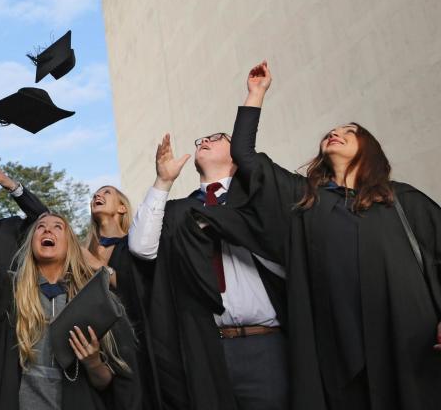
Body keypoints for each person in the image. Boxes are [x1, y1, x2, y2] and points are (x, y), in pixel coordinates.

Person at [190, 61, 441, 410]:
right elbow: (245, 156)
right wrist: (255, 94)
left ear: (368, 148)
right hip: (339, 355)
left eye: (349, 131)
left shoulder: (401, 200)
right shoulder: (306, 201)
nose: (335, 132)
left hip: (407, 340)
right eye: (331, 131)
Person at [127, 129, 288, 410]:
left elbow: (285, 256)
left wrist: (224, 222)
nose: (204, 141)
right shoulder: (180, 212)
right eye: (200, 140)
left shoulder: (259, 201)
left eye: (216, 138)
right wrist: (163, 181)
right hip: (205, 347)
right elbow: (142, 247)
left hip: (263, 344)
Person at [0, 211, 141, 409]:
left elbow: (108, 383)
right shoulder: (12, 290)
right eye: (40, 226)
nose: (47, 229)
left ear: (71, 244)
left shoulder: (95, 299)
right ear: (31, 242)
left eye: (58, 226)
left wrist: (93, 362)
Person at [82, 186, 161, 410]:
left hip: (135, 349)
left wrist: (98, 267)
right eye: (95, 194)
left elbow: (138, 288)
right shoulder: (84, 250)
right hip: (95, 349)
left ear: (122, 208)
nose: (97, 195)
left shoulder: (136, 245)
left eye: (106, 193)